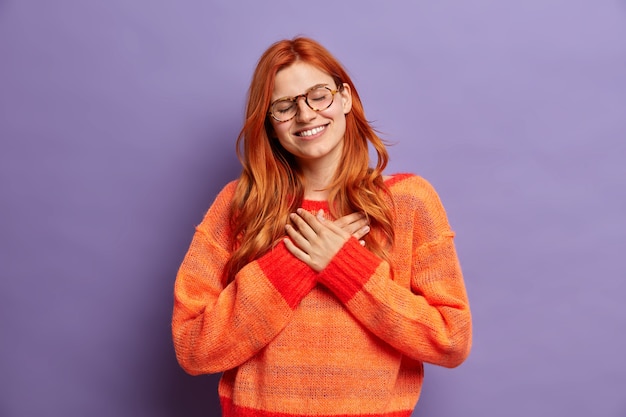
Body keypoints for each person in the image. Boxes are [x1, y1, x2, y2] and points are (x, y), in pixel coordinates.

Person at [172, 37, 472, 417]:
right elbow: (193, 348)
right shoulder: (239, 205)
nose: (306, 114)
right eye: (284, 105)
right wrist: (296, 262)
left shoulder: (408, 202)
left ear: (345, 98)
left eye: (318, 95)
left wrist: (346, 265)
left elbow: (450, 338)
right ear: (269, 123)